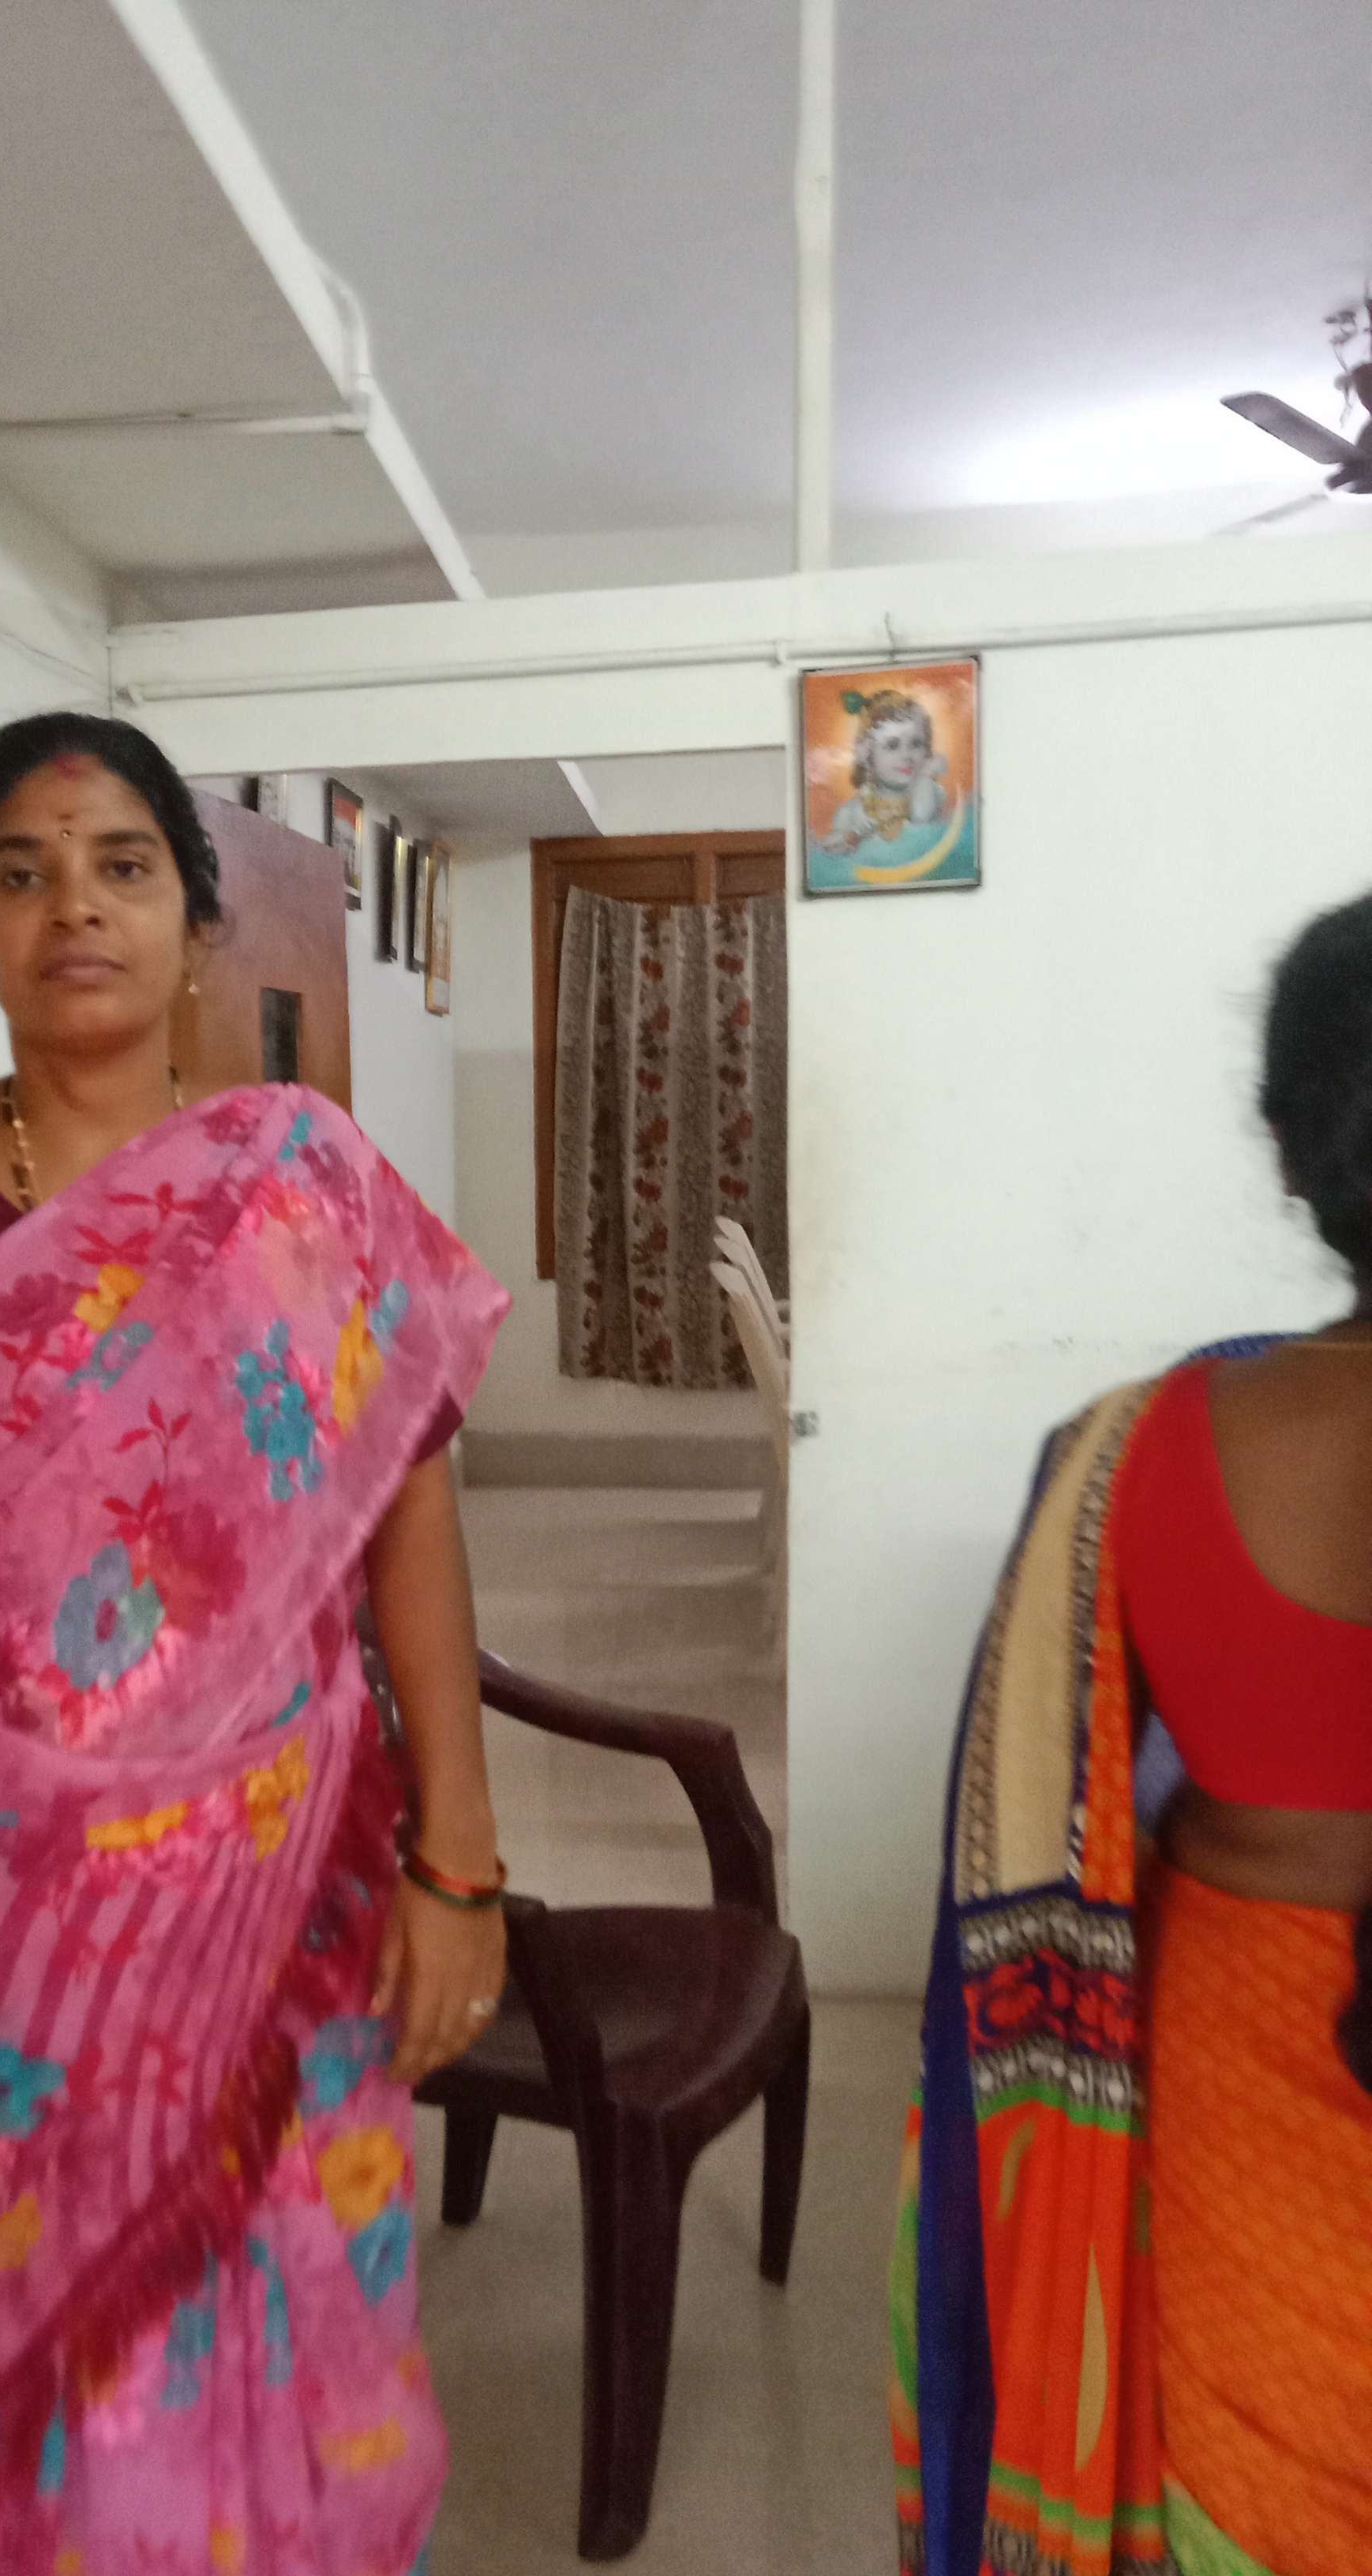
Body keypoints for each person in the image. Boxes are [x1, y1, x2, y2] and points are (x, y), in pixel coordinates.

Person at [0, 712, 512, 2575]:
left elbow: (407, 1516)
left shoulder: (302, 1179)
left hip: (289, 1895)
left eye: (120, 865)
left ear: (194, 916)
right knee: (58, 2389)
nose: (72, 904)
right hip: (6, 1934)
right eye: (22, 872)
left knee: (306, 2320)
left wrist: (460, 1865)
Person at [893, 892, 1372, 2576]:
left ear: (1288, 1152)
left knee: (1257, 2487)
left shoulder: (1133, 1452)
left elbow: (1047, 1808)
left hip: (1237, 2030)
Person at [823, 688, 949, 856]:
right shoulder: (851, 812)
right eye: (892, 745)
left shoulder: (932, 794)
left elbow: (922, 820)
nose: (906, 756)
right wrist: (849, 838)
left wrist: (925, 777)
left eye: (916, 744)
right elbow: (829, 852)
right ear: (868, 755)